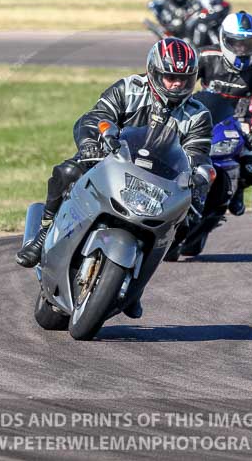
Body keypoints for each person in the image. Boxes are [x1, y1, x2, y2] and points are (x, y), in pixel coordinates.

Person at [16, 38, 214, 318]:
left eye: (183, 80)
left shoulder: (198, 114)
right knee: (67, 173)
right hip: (111, 161)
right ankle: (43, 234)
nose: (176, 85)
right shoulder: (129, 88)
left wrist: (200, 176)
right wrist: (91, 142)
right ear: (154, 72)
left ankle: (135, 286)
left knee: (183, 223)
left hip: (161, 182)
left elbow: (199, 153)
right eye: (170, 78)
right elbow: (97, 116)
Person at [195, 10, 252, 216]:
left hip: (239, 124)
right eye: (236, 43)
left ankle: (237, 189)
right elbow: (180, 83)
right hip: (202, 117)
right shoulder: (205, 56)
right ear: (223, 39)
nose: (242, 49)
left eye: (249, 44)